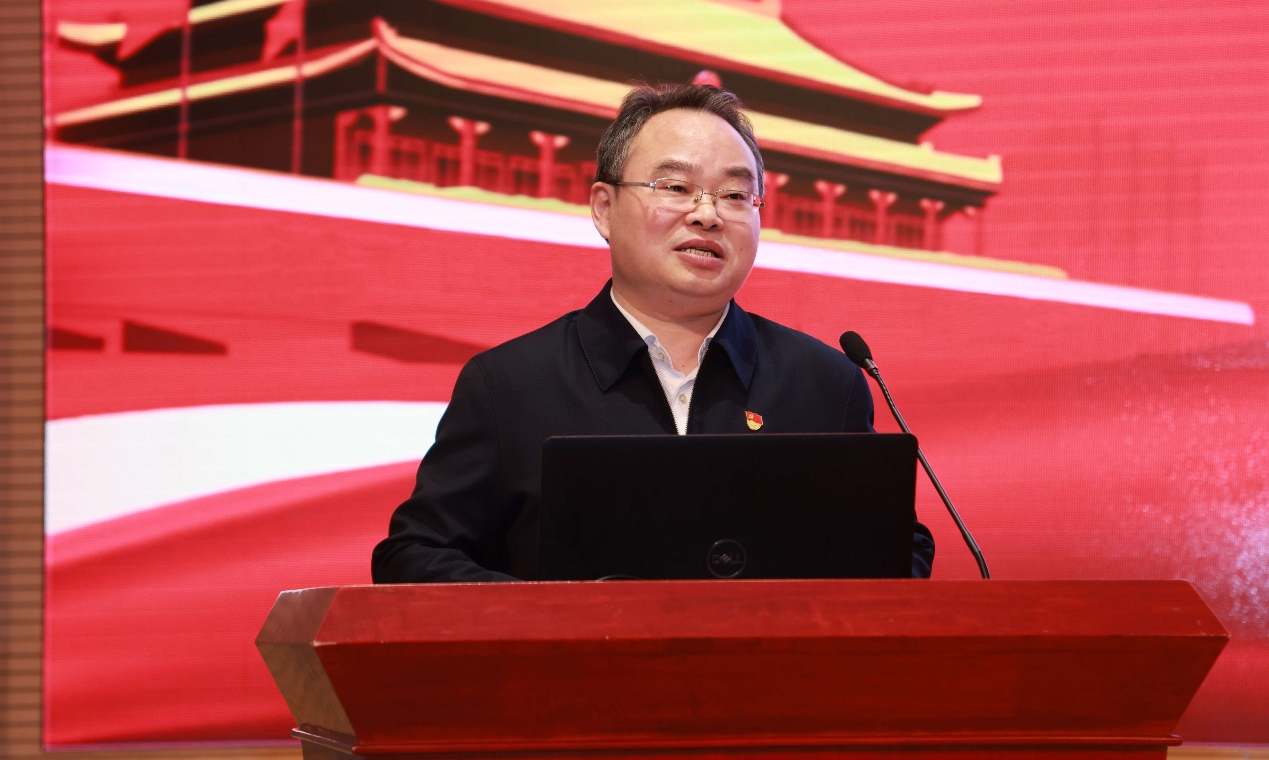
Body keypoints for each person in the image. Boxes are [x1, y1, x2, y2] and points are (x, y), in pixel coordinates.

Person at [371, 83, 935, 583]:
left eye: (735, 195)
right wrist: (549, 623)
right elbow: (414, 555)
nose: (708, 214)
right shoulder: (511, 385)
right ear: (604, 208)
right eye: (675, 186)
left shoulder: (826, 383)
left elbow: (894, 550)